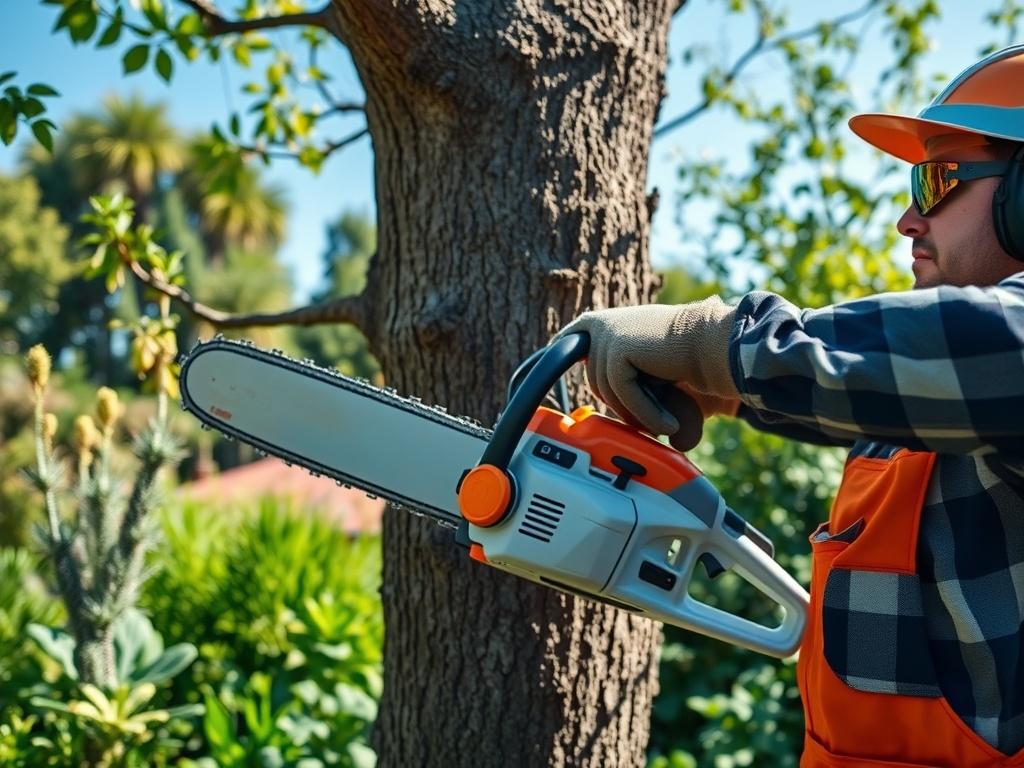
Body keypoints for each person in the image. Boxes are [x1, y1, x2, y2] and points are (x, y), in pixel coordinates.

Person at [556, 45, 1024, 767]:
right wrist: (730, 393)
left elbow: (990, 350)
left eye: (935, 181)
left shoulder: (997, 354)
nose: (907, 218)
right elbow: (902, 387)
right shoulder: (948, 399)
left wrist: (709, 341)